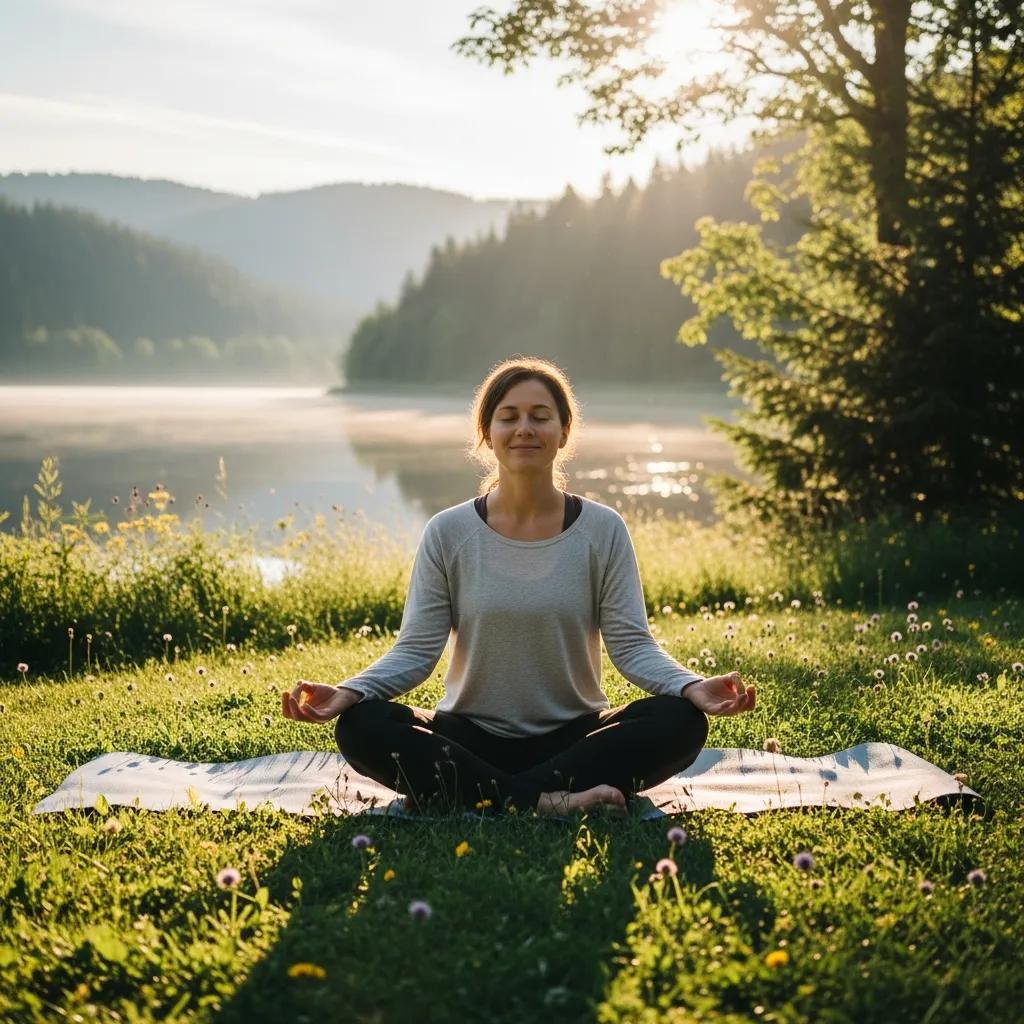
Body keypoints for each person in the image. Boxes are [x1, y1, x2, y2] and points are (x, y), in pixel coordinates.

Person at [281, 357, 756, 817]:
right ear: (487, 434)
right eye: (508, 417)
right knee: (363, 725)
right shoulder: (447, 532)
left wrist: (690, 686)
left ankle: (477, 795)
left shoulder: (603, 530)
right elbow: (415, 651)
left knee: (679, 722)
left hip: (576, 739)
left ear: (563, 432)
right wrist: (351, 691)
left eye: (540, 416)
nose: (524, 428)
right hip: (468, 736)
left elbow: (632, 645)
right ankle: (546, 802)